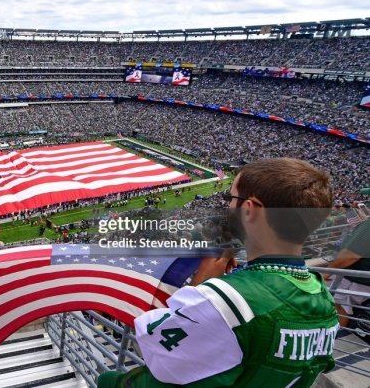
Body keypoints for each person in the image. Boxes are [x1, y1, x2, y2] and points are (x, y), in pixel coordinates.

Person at [97, 158, 339, 388]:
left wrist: (204, 285)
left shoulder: (226, 299)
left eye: (231, 197)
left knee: (107, 378)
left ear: (249, 208)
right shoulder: (325, 301)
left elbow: (158, 355)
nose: (228, 205)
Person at [324, 210, 370, 328]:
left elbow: (349, 256)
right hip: (363, 280)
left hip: (357, 279)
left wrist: (325, 274)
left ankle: (332, 340)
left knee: (341, 307)